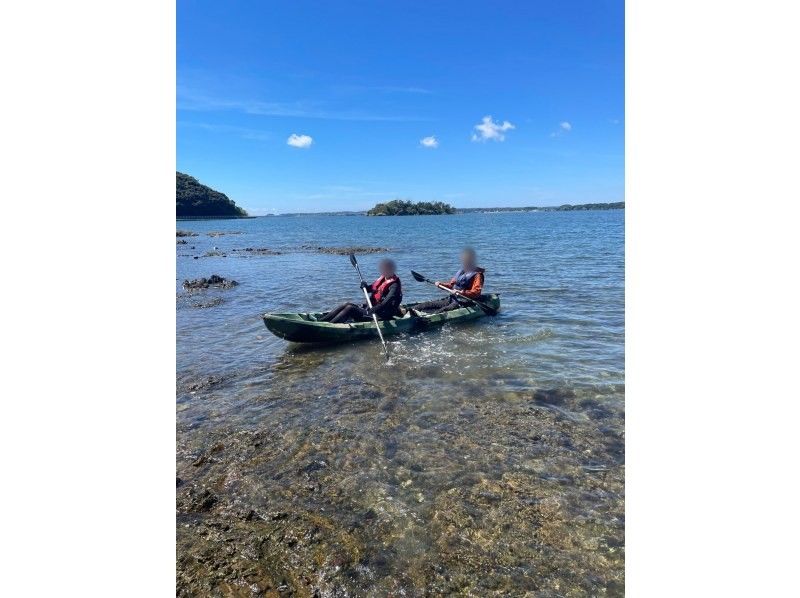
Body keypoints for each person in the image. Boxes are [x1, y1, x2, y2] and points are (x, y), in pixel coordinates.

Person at [320, 258, 403, 323]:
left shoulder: (394, 285)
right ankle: (322, 321)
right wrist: (365, 286)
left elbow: (386, 302)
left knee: (350, 308)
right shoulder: (383, 279)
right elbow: (369, 289)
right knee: (346, 304)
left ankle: (330, 325)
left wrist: (375, 309)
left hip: (381, 314)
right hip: (371, 307)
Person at [414, 247, 485, 313]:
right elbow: (451, 285)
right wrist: (440, 284)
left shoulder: (477, 275)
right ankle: (411, 311)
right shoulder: (462, 271)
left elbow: (476, 293)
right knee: (425, 305)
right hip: (452, 299)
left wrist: (461, 292)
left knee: (441, 311)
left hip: (464, 302)